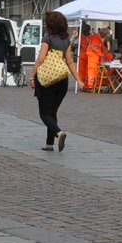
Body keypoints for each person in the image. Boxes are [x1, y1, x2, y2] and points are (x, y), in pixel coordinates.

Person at [31, 10, 78, 151]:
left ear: (50, 25)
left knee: (44, 114)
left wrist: (32, 75)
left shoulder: (48, 39)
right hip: (62, 81)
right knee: (52, 112)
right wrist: (79, 80)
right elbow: (70, 62)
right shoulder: (66, 40)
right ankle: (49, 143)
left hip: (47, 80)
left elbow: (40, 59)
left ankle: (59, 133)